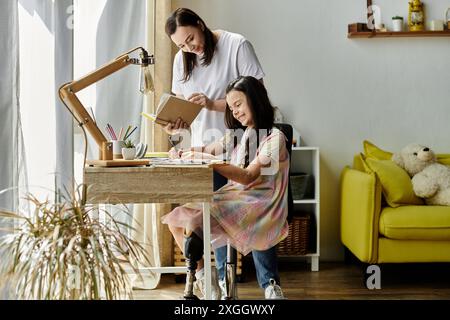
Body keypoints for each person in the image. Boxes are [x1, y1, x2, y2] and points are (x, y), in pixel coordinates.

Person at [165, 8, 281, 299]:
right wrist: (176, 127)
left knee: (257, 212)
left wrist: (211, 104)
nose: (189, 47)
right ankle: (216, 283)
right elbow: (182, 107)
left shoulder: (236, 45)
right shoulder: (182, 60)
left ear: (201, 25)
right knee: (212, 214)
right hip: (214, 144)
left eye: (191, 38)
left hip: (246, 139)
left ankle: (269, 284)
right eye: (181, 45)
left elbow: (255, 94)